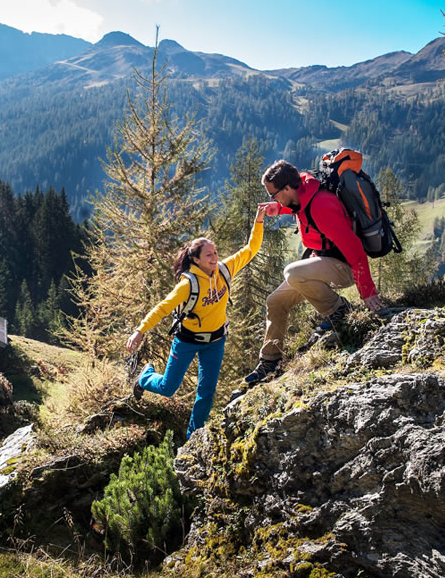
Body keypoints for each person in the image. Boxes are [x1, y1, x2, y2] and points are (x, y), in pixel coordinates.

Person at [126, 203, 273, 438]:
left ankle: (192, 438)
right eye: (209, 255)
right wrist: (140, 330)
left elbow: (251, 249)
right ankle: (145, 376)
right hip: (187, 341)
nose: (215, 258)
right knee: (167, 387)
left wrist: (259, 220)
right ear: (195, 260)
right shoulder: (188, 285)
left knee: (206, 392)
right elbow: (163, 308)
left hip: (215, 340)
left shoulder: (225, 270)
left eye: (215, 253)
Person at [244, 160, 386, 385]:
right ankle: (270, 361)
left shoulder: (321, 206)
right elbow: (299, 205)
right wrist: (279, 208)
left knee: (292, 272)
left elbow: (355, 251)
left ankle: (338, 309)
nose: (273, 198)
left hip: (343, 267)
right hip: (323, 261)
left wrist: (368, 292)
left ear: (288, 188)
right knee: (275, 301)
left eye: (274, 195)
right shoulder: (302, 191)